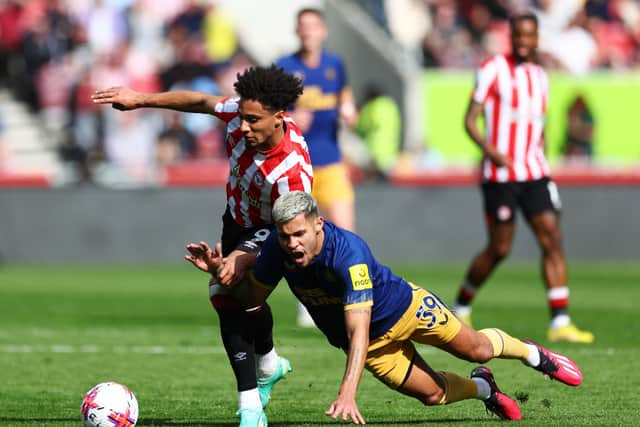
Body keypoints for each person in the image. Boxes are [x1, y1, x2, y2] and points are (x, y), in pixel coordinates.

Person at [185, 191, 584, 424]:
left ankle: (534, 354)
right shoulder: (276, 249)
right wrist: (223, 274)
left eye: (299, 234)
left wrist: (347, 392)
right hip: (373, 346)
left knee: (477, 347)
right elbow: (252, 302)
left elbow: (357, 327)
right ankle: (484, 388)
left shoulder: (350, 254)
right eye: (286, 236)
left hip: (405, 309)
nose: (292, 244)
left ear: (318, 224)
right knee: (432, 396)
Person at [92, 64, 313, 427]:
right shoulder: (238, 116)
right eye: (242, 117)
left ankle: (250, 410)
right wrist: (140, 99)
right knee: (237, 297)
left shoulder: (293, 172)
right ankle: (269, 363)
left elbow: (291, 231)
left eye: (253, 120)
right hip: (236, 220)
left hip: (277, 231)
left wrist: (243, 256)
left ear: (279, 117)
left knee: (226, 293)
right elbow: (199, 100)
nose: (243, 127)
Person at [450, 12, 594, 344]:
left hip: (535, 172)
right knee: (500, 248)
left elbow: (538, 126)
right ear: (511, 36)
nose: (524, 42)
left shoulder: (541, 75)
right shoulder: (492, 69)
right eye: (518, 36)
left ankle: (560, 321)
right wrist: (492, 151)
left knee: (552, 238)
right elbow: (470, 120)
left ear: (537, 37)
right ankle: (461, 305)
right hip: (500, 175)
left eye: (530, 36)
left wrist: (541, 155)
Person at [276, 7, 358, 326]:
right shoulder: (285, 67)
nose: (308, 31)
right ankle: (307, 300)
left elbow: (344, 98)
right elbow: (270, 116)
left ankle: (353, 297)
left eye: (313, 26)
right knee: (299, 236)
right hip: (298, 164)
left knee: (346, 235)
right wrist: (292, 119)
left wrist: (350, 110)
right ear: (297, 31)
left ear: (323, 30)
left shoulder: (335, 65)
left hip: (331, 161)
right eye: (303, 26)